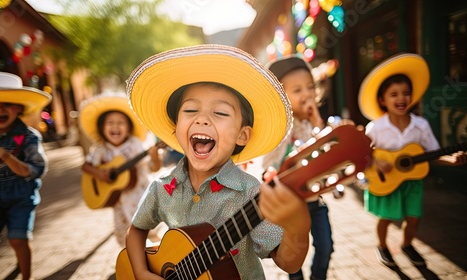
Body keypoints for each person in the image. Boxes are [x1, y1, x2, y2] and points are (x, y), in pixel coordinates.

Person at [123, 44, 312, 279]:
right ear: (176, 128)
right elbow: (136, 229)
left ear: (242, 135)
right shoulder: (162, 188)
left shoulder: (249, 193)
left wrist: (298, 228)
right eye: (190, 110)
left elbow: (289, 264)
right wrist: (141, 272)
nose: (202, 119)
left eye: (220, 113)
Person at [358, 53, 467, 267]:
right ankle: (382, 246)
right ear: (382, 100)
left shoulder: (421, 126)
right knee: (386, 218)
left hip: (412, 183)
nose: (401, 99)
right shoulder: (376, 127)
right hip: (386, 182)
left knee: (413, 218)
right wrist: (376, 162)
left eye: (406, 93)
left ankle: (407, 244)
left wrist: (451, 160)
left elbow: (433, 154)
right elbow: (362, 153)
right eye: (394, 94)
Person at [0, 71, 52, 280]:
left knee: (18, 239)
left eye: (7, 104)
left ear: (18, 108)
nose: (0, 109)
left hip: (21, 195)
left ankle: (26, 276)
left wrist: (7, 157)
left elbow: (35, 170)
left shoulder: (28, 136)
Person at [263, 56, 338, 280]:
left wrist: (318, 125)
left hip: (315, 202)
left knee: (325, 247)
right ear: (281, 97)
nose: (306, 94)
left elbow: (328, 154)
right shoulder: (280, 129)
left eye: (310, 87)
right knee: (294, 254)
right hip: (291, 206)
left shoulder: (312, 124)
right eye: (297, 90)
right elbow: (270, 163)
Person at [79, 94, 162, 247]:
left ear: (129, 127)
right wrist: (100, 174)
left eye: (120, 123)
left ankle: (156, 256)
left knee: (150, 231)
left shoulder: (134, 144)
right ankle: (134, 264)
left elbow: (153, 167)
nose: (115, 127)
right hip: (119, 202)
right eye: (110, 123)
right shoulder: (101, 149)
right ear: (101, 128)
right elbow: (85, 166)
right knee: (124, 237)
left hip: (141, 197)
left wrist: (155, 158)